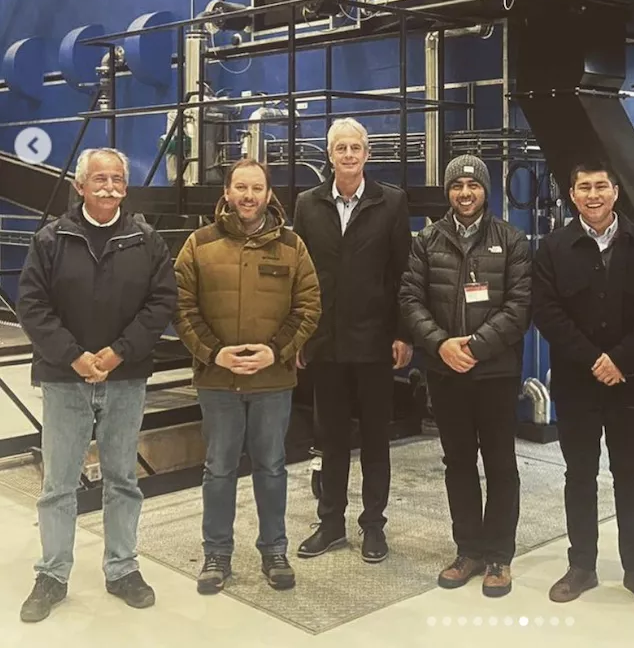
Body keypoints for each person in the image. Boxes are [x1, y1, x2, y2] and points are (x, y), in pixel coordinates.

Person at [16, 148, 177, 622]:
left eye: (117, 180)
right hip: (65, 380)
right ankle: (52, 574)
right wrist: (75, 356)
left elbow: (161, 302)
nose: (109, 187)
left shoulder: (146, 240)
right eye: (100, 179)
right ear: (80, 186)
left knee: (123, 479)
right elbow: (32, 305)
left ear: (125, 187)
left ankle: (123, 568)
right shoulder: (51, 239)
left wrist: (118, 352)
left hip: (125, 379)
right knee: (59, 484)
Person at [173, 160, 320, 596]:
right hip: (218, 381)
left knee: (271, 468)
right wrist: (214, 353)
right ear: (228, 192)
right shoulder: (199, 244)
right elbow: (181, 306)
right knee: (218, 469)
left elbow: (308, 306)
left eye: (257, 188)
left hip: (271, 381)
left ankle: (274, 551)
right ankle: (217, 554)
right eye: (241, 187)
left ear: (269, 194)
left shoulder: (292, 246)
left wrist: (275, 351)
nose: (249, 196)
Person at [533, 162, 634, 611]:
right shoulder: (554, 247)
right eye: (584, 188)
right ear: (572, 195)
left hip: (632, 384)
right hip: (578, 383)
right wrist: (593, 359)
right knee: (579, 476)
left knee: (630, 476)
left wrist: (621, 361)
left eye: (601, 186)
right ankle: (582, 566)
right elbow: (547, 312)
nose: (593, 195)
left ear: (615, 192)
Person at [399, 154, 531, 598]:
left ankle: (499, 556)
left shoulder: (511, 240)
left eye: (473, 186)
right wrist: (441, 345)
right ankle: (468, 550)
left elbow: (519, 307)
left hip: (495, 373)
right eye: (457, 186)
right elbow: (410, 299)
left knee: (499, 463)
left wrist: (473, 347)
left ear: (485, 191)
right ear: (448, 192)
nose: (465, 193)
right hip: (445, 372)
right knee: (458, 463)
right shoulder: (427, 241)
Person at [293, 118, 413, 564]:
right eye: (340, 148)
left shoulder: (391, 202)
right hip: (325, 344)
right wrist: (300, 336)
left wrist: (402, 333)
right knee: (331, 439)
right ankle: (330, 524)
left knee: (376, 440)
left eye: (355, 148)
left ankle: (374, 526)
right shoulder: (308, 204)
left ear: (367, 155)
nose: (348, 155)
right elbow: (298, 276)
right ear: (329, 155)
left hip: (375, 343)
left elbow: (402, 274)